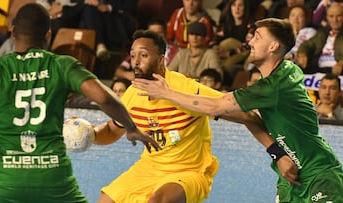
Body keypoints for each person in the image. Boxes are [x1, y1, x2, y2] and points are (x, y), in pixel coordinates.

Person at [133, 18, 343, 202]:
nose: (250, 41)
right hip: (291, 180)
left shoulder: (272, 87)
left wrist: (167, 93)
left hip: (320, 176)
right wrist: (277, 153)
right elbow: (248, 117)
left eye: (257, 37)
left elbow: (215, 105)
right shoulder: (284, 71)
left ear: (273, 47)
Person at [0, 3, 160, 202]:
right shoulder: (61, 65)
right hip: (53, 182)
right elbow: (103, 98)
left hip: (1, 184)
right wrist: (131, 126)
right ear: (48, 34)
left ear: (13, 33)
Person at [95, 29, 290, 203]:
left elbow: (246, 116)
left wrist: (278, 154)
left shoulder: (187, 89)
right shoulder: (132, 94)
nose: (135, 62)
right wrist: (91, 134)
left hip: (188, 171)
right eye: (132, 55)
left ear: (161, 60)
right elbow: (112, 131)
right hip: (148, 168)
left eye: (143, 55)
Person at [113, 17, 179, 81]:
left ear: (166, 33)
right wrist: (128, 75)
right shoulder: (139, 51)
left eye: (158, 33)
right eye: (151, 33)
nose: (154, 37)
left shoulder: (177, 51)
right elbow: (119, 71)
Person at [296, 3, 343, 74]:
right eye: (331, 16)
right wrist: (302, 53)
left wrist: (342, 63)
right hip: (317, 68)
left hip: (337, 70)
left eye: (339, 16)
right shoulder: (323, 32)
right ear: (327, 18)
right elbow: (308, 44)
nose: (335, 20)